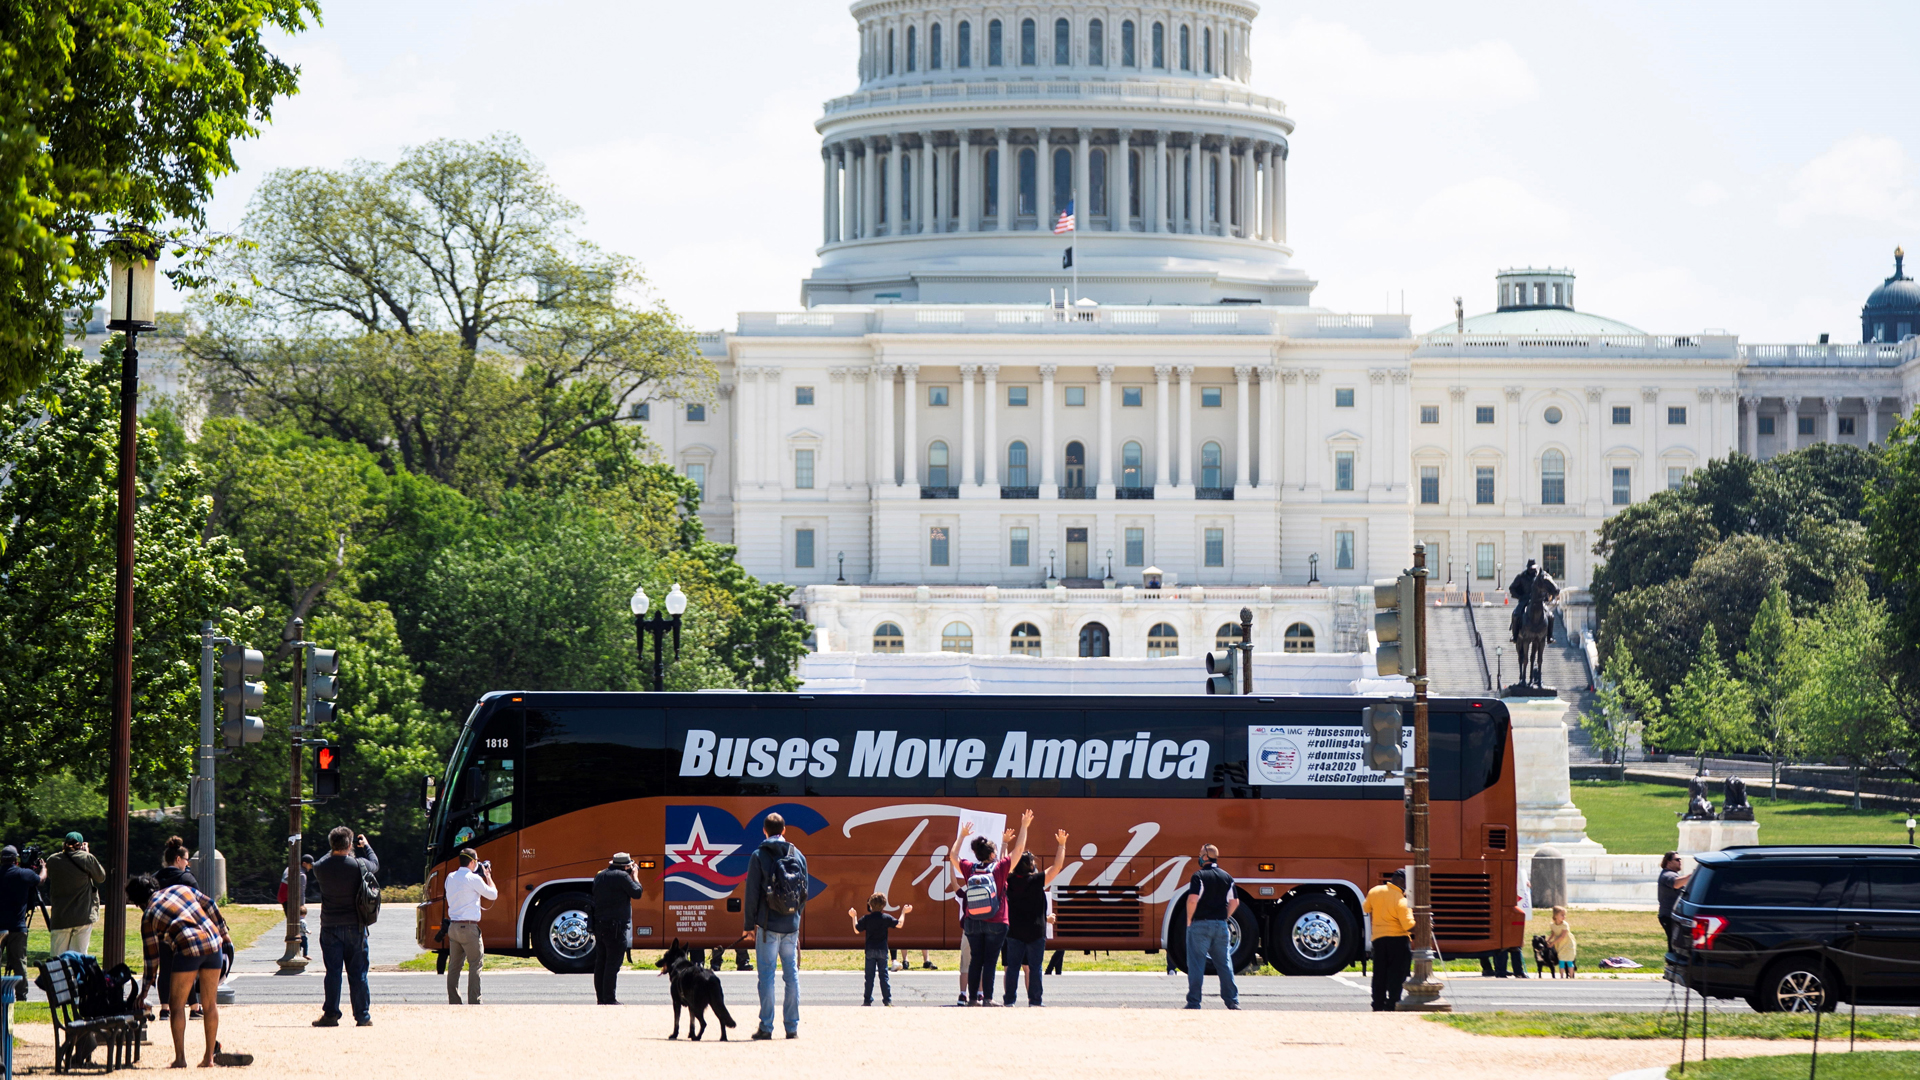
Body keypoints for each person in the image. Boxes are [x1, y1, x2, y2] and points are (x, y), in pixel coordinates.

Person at [128, 872, 231, 1069]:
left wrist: (144, 992)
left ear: (137, 902)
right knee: (210, 1004)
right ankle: (209, 1059)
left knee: (176, 1006)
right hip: (213, 943)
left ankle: (180, 1059)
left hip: (188, 947)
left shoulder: (148, 914)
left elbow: (152, 959)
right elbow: (210, 904)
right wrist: (224, 932)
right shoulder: (181, 889)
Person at [948, 812, 1029, 1007]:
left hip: (972, 921)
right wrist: (1024, 825)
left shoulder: (970, 868)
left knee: (976, 959)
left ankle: (973, 998)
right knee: (990, 961)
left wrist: (962, 836)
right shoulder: (999, 868)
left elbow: (953, 856)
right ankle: (988, 998)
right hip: (997, 920)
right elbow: (1019, 850)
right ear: (993, 854)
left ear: (976, 854)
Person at [743, 812, 807, 1039]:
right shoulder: (798, 855)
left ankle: (766, 1027)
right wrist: (795, 918)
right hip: (791, 926)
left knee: (767, 977)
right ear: (784, 830)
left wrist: (749, 925)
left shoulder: (759, 855)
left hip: (767, 927)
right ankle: (792, 1028)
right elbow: (804, 892)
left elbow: (751, 893)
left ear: (764, 830)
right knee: (792, 976)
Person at [310, 826, 378, 1027]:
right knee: (358, 973)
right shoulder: (358, 865)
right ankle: (362, 1016)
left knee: (333, 973)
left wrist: (334, 847)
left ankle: (331, 1014)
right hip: (355, 926)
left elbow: (322, 859)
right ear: (350, 845)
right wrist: (366, 846)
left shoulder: (320, 867)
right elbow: (375, 863)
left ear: (331, 845)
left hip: (330, 926)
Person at [1004, 828, 1068, 1007]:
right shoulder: (1037, 880)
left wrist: (1005, 843)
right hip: (1036, 931)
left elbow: (1003, 864)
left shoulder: (1009, 880)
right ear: (1032, 866)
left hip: (1014, 930)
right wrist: (1061, 845)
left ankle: (1009, 1001)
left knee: (1013, 969)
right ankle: (1035, 1001)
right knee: (1035, 968)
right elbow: (1057, 867)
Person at [1183, 843, 1240, 1010]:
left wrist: (1189, 919)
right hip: (1221, 926)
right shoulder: (1227, 877)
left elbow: (1193, 899)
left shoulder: (1198, 876)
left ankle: (1194, 1002)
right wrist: (1224, 917)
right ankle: (1232, 1001)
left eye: (1200, 853)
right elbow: (1235, 901)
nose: (1199, 857)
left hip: (1200, 924)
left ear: (1206, 857)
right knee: (1224, 964)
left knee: (1196, 964)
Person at [589, 852, 644, 1005]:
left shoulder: (600, 875)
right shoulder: (622, 876)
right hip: (616, 926)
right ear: (626, 866)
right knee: (612, 964)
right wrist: (635, 876)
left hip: (599, 924)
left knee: (601, 962)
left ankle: (601, 998)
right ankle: (609, 998)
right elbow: (637, 892)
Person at [443, 848, 497, 1004]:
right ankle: (474, 1001)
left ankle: (454, 1001)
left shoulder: (450, 877)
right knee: (475, 964)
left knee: (454, 966)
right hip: (469, 928)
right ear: (472, 862)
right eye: (477, 861)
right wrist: (488, 876)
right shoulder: (474, 879)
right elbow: (493, 894)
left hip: (453, 927)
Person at [43, 832, 104, 956]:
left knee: (57, 959)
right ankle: (76, 976)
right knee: (78, 957)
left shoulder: (53, 860)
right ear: (81, 845)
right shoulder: (86, 858)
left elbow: (50, 876)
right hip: (82, 915)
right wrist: (86, 853)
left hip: (60, 917)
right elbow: (101, 877)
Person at [1364, 870, 1414, 1012]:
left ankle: (1377, 1003)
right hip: (1398, 940)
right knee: (1396, 974)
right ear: (1402, 882)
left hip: (1378, 939)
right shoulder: (1401, 900)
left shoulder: (1375, 891)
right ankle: (1392, 1003)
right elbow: (1408, 925)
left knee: (1379, 972)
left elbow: (1366, 907)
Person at [848, 894, 910, 1006]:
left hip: (870, 950)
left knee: (869, 977)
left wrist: (854, 916)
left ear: (870, 905)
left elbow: (857, 930)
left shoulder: (866, 918)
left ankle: (867, 1000)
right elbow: (899, 924)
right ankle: (887, 1000)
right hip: (882, 950)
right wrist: (903, 912)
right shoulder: (886, 918)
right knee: (884, 976)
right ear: (884, 905)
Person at [0, 846, 41, 1000]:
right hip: (17, 927)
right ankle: (21, 995)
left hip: (0, 927)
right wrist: (43, 868)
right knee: (19, 962)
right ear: (16, 860)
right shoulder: (24, 874)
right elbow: (40, 880)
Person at [1657, 851, 1693, 946]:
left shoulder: (1673, 874)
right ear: (1668, 862)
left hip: (1673, 916)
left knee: (1676, 944)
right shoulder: (1667, 875)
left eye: (1680, 859)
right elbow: (1676, 884)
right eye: (1677, 859)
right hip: (1668, 916)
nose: (1680, 861)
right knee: (1675, 945)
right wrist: (1692, 876)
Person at [1548, 905, 1577, 977]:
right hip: (1560, 945)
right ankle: (1561, 976)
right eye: (1562, 915)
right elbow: (1553, 933)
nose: (1564, 916)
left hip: (1567, 944)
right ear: (1556, 916)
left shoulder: (1565, 925)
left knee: (1569, 960)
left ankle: (1571, 975)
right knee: (1561, 960)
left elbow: (1562, 936)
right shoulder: (1552, 925)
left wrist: (1553, 943)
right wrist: (1548, 940)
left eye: (1564, 915)